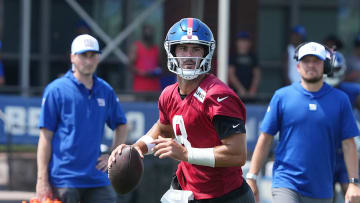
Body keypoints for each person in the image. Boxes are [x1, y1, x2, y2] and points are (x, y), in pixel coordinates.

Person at [109, 18, 255, 202]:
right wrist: (137, 148)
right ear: (172, 52)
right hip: (186, 188)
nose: (189, 56)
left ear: (206, 53)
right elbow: (163, 129)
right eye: (183, 48)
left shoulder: (218, 96)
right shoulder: (169, 94)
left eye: (196, 49)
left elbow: (237, 154)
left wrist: (186, 154)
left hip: (224, 195)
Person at [246, 42, 360, 203]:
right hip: (286, 182)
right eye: (306, 61)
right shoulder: (282, 96)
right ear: (298, 66)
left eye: (316, 61)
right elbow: (265, 138)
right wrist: (252, 176)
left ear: (325, 66)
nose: (311, 65)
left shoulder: (340, 100)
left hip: (322, 188)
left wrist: (354, 183)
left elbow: (349, 144)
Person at [36, 34, 128, 203]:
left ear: (98, 57)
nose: (88, 60)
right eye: (83, 55)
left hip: (97, 177)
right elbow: (45, 138)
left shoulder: (105, 90)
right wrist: (42, 179)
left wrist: (112, 155)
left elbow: (121, 125)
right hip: (64, 178)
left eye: (92, 55)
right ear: (72, 57)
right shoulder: (55, 90)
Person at [324, 51, 360, 200]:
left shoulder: (353, 92)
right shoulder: (311, 92)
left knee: (352, 193)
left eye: (336, 69)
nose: (332, 74)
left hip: (346, 152)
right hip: (324, 153)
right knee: (327, 195)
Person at [228, 31, 261, 101]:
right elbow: (231, 74)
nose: (243, 44)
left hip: (250, 94)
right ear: (237, 43)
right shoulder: (233, 57)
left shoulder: (253, 57)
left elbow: (257, 74)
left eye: (246, 41)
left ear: (250, 43)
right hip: (236, 93)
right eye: (241, 41)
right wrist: (240, 89)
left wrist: (253, 89)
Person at [128, 24, 162, 92]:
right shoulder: (136, 47)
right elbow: (129, 65)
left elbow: (160, 66)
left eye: (151, 32)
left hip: (154, 87)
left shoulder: (156, 49)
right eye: (147, 32)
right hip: (140, 87)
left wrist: (156, 72)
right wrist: (143, 73)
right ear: (143, 33)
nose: (149, 34)